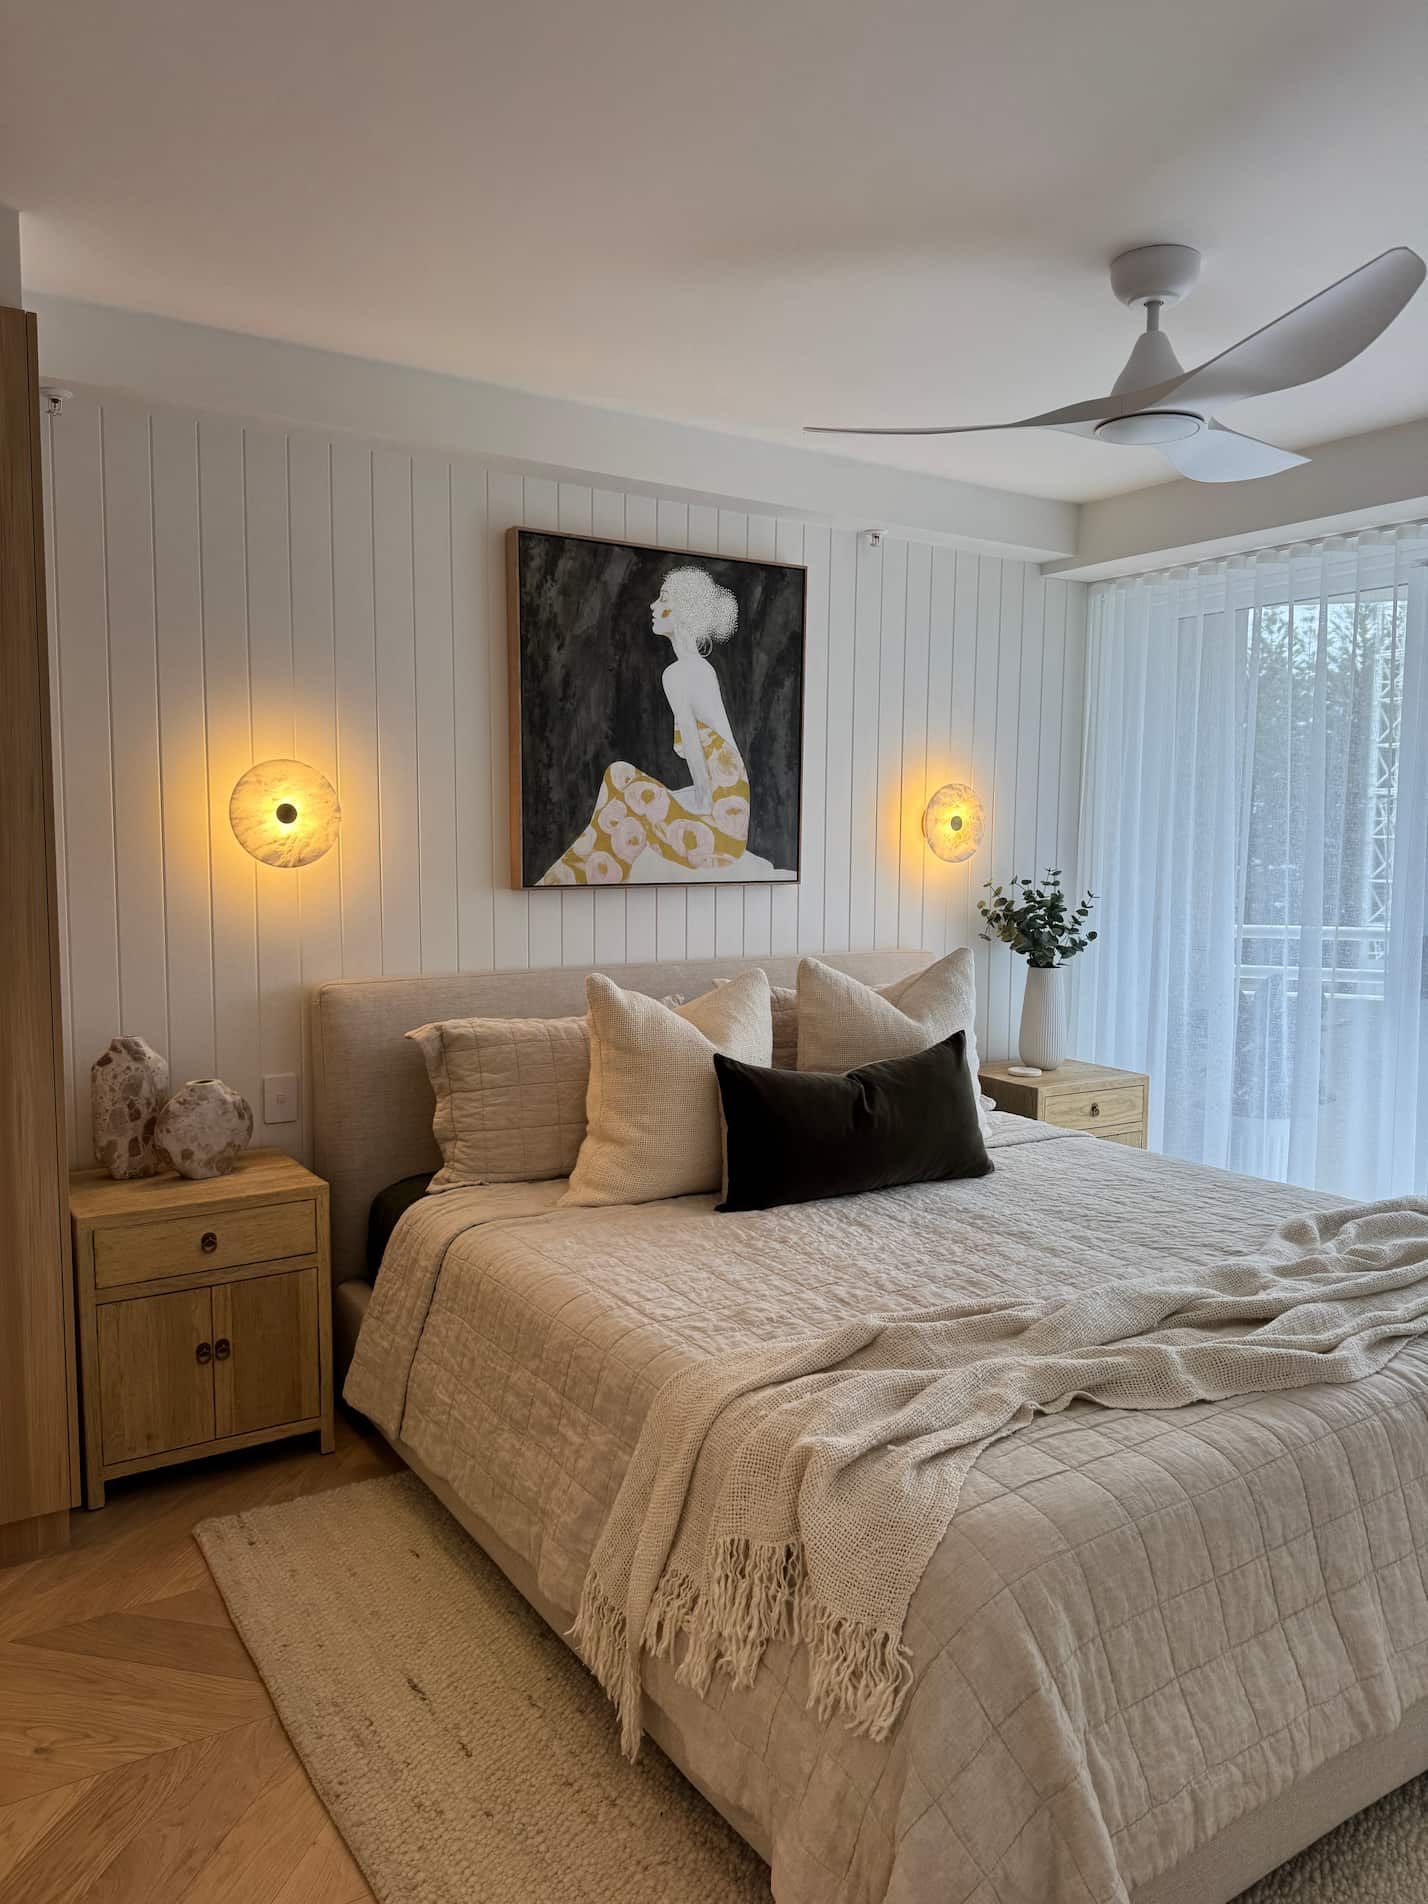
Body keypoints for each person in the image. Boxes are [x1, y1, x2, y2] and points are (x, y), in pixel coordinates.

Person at [540, 566, 754, 884]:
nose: (653, 605)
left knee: (627, 786)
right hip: (730, 820)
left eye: (663, 598)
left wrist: (697, 804)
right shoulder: (700, 668)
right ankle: (582, 873)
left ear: (684, 609)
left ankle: (569, 878)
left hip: (718, 832)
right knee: (621, 781)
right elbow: (726, 765)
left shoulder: (678, 674)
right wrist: (679, 800)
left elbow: (697, 757)